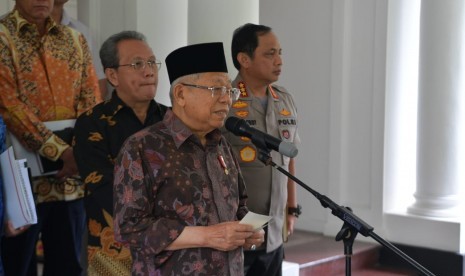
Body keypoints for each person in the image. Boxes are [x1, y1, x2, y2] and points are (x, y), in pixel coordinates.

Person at [113, 42, 265, 275]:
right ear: (181, 94)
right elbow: (129, 228)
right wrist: (208, 236)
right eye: (216, 90)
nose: (227, 100)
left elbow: (239, 205)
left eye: (229, 91)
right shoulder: (142, 147)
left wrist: (251, 234)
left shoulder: (220, 143)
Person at [0, 0, 102, 275]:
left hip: (70, 180)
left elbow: (91, 100)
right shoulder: (2, 36)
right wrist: (62, 152)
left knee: (69, 264)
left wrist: (79, 152)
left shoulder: (75, 39)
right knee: (17, 265)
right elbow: (9, 106)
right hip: (20, 179)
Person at [73, 30, 168, 275]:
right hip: (115, 252)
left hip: (173, 249)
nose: (149, 71)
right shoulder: (92, 123)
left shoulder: (174, 120)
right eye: (137, 64)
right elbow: (103, 187)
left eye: (151, 63)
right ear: (112, 75)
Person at [223, 23, 301, 276]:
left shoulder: (284, 99)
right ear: (244, 59)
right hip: (238, 231)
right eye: (270, 54)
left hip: (275, 229)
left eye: (280, 52)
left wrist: (292, 208)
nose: (279, 61)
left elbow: (289, 160)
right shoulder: (226, 102)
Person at [51, 0, 108, 99]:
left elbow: (99, 83)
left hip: (81, 112)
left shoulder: (81, 31)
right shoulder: (18, 32)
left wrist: (85, 113)